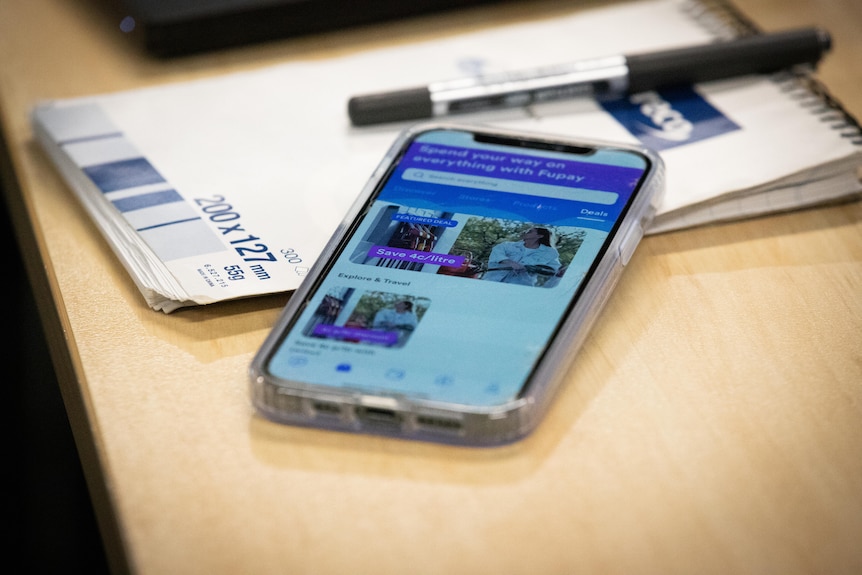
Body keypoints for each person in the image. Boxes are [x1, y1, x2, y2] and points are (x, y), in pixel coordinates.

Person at [483, 227, 561, 286]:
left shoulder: (549, 253)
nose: (525, 232)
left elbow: (554, 271)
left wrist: (532, 268)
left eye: (530, 231)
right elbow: (497, 252)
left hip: (518, 288)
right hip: (490, 282)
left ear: (540, 236)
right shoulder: (507, 245)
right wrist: (509, 262)